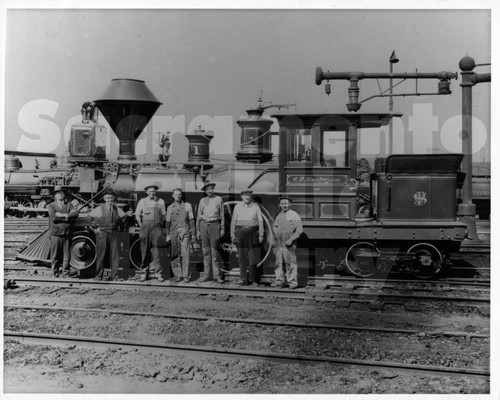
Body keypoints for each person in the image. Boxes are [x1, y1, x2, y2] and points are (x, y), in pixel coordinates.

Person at [87, 188, 134, 281]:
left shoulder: (116, 208)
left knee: (115, 255)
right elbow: (89, 217)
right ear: (104, 199)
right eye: (108, 198)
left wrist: (127, 215)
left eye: (112, 198)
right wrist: (95, 227)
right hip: (103, 234)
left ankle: (114, 276)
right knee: (101, 255)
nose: (110, 200)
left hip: (114, 234)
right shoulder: (99, 208)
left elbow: (122, 219)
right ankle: (99, 276)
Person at [230, 188, 264, 286]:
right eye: (245, 195)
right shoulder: (238, 206)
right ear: (242, 197)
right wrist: (232, 235)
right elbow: (233, 221)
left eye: (249, 195)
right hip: (240, 232)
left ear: (251, 196)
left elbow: (261, 221)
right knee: (241, 257)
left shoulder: (255, 206)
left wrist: (261, 234)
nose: (247, 197)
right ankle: (243, 279)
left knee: (252, 257)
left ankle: (252, 279)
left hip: (252, 233)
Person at [135, 184, 167, 282]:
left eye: (153, 191)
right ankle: (144, 273)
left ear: (156, 192)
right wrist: (141, 226)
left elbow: (163, 215)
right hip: (145, 227)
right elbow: (137, 214)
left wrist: (160, 227)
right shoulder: (142, 201)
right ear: (146, 192)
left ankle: (158, 273)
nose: (152, 193)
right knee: (145, 251)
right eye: (150, 191)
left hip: (157, 228)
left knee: (157, 251)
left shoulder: (160, 201)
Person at [196, 181, 225, 283]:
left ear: (213, 189)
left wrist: (222, 228)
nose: (209, 191)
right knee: (206, 251)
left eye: (211, 188)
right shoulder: (202, 200)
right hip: (204, 225)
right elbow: (198, 217)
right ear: (205, 190)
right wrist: (198, 230)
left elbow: (222, 215)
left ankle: (217, 276)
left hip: (214, 225)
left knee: (214, 252)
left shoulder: (218, 199)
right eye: (207, 189)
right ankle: (206, 275)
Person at [47, 185, 79, 277]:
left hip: (67, 233)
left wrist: (63, 215)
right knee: (55, 256)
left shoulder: (69, 204)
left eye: (62, 193)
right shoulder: (51, 206)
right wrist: (68, 217)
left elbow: (76, 213)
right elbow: (54, 218)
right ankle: (55, 272)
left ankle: (66, 273)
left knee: (67, 256)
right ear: (55, 195)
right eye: (58, 193)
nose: (60, 195)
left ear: (64, 194)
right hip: (56, 234)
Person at [272, 196, 303, 289]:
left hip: (289, 243)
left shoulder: (294, 215)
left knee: (290, 263)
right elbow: (275, 226)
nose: (284, 205)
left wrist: (291, 239)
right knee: (278, 263)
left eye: (286, 203)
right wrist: (276, 233)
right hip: (279, 243)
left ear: (290, 204)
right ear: (280, 205)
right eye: (282, 204)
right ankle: (279, 282)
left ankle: (292, 283)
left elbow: (300, 230)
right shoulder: (279, 215)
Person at [166, 188, 195, 283]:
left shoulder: (187, 206)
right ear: (173, 196)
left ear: (181, 195)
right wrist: (167, 234)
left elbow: (191, 220)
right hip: (173, 232)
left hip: (185, 232)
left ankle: (186, 275)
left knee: (185, 253)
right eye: (176, 194)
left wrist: (193, 233)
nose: (177, 196)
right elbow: (168, 222)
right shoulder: (170, 207)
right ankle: (177, 275)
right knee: (174, 254)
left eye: (179, 194)